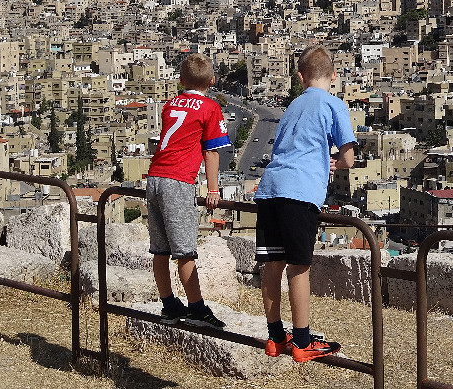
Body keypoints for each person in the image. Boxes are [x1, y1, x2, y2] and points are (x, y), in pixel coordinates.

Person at [254, 45, 356, 362]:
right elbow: (349, 159)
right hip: (299, 192)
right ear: (334, 76)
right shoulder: (333, 105)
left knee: (273, 264)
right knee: (299, 267)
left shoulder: (293, 107)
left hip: (270, 189)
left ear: (301, 78)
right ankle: (301, 340)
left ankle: (275, 338)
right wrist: (331, 162)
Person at [146, 53, 231, 328]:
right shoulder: (209, 108)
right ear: (213, 80)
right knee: (185, 251)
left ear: (181, 80)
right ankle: (196, 307)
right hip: (178, 180)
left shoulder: (170, 105)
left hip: (155, 176)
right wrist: (214, 189)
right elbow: (212, 152)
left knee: (160, 249)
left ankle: (169, 304)